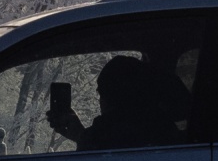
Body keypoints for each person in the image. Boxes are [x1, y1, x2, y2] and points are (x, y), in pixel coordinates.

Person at [46, 55, 189, 150]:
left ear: (110, 98)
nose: (99, 101)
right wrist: (80, 134)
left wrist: (83, 136)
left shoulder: (111, 132)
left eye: (100, 93)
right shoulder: (161, 127)